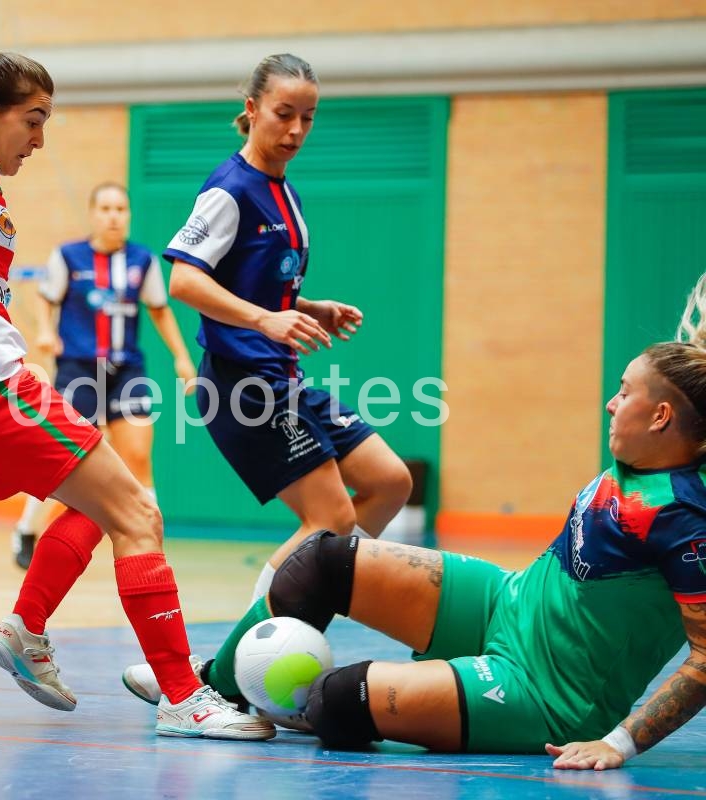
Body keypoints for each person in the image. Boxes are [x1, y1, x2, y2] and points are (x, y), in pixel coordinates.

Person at [125, 278, 706, 769]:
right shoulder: (652, 443)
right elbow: (687, 384)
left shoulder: (684, 515)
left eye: (623, 392)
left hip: (548, 692)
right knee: (322, 560)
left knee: (335, 700)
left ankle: (443, 695)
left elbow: (705, 659)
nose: (610, 402)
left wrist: (619, 742)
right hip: (505, 603)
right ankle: (202, 690)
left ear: (659, 417)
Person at [0, 44, 272, 739]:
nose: (40, 137)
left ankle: (27, 627)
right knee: (141, 514)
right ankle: (183, 697)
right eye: (33, 119)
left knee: (100, 507)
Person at [162, 53, 413, 603]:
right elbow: (183, 281)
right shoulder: (231, 189)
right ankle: (242, 654)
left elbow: (256, 283)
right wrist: (265, 318)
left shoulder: (284, 190)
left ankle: (311, 600)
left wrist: (310, 305)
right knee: (330, 514)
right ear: (251, 110)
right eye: (283, 113)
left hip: (284, 377)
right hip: (241, 383)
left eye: (308, 116)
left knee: (391, 482)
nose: (297, 129)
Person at [10, 182, 197, 569]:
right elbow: (47, 300)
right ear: (94, 214)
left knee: (138, 453)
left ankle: (150, 541)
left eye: (121, 210)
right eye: (106, 209)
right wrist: (45, 330)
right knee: (63, 460)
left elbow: (160, 310)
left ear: (128, 215)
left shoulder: (142, 261)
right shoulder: (69, 257)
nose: (114, 216)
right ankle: (27, 528)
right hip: (78, 370)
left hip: (127, 368)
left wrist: (182, 358)